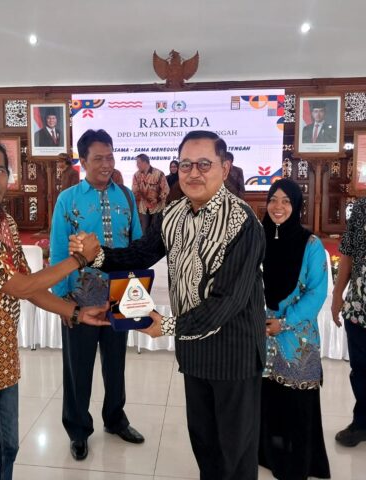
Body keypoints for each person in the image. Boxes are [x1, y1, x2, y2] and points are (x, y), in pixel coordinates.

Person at [71, 130, 266, 479]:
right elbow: (140, 254)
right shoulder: (174, 213)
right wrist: (97, 256)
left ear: (224, 167)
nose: (193, 173)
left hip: (233, 352)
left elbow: (228, 302)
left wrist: (168, 326)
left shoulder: (243, 222)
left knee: (235, 451)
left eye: (204, 164)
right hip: (193, 351)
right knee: (204, 442)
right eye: (186, 164)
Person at [0, 137, 109, 480]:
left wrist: (73, 312)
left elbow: (30, 287)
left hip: (2, 357)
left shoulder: (5, 223)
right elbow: (20, 286)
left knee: (7, 450)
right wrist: (79, 259)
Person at [50, 129, 144, 462]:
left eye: (110, 156)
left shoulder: (127, 197)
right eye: (99, 158)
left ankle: (116, 419)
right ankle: (78, 430)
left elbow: (137, 245)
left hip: (119, 293)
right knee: (79, 368)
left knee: (116, 364)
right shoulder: (68, 199)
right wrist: (63, 299)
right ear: (83, 161)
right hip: (80, 295)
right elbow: (58, 249)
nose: (107, 164)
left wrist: (135, 291)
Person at [259, 178, 330, 480]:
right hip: (262, 334)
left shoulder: (310, 245)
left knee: (297, 404)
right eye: (273, 199)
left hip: (297, 339)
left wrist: (284, 322)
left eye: (286, 201)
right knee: (269, 399)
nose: (278, 207)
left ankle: (298, 464)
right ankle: (269, 456)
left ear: (296, 205)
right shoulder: (257, 239)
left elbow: (317, 293)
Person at [331, 197, 366, 447]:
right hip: (359, 308)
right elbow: (348, 252)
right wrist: (337, 296)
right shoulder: (362, 208)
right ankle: (361, 423)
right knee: (361, 370)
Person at [132, 153, 169, 234]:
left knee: (155, 232)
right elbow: (134, 191)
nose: (137, 165)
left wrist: (157, 199)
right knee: (143, 231)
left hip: (157, 208)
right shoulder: (136, 175)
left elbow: (166, 190)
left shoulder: (159, 174)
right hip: (143, 208)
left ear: (145, 162)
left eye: (138, 163)